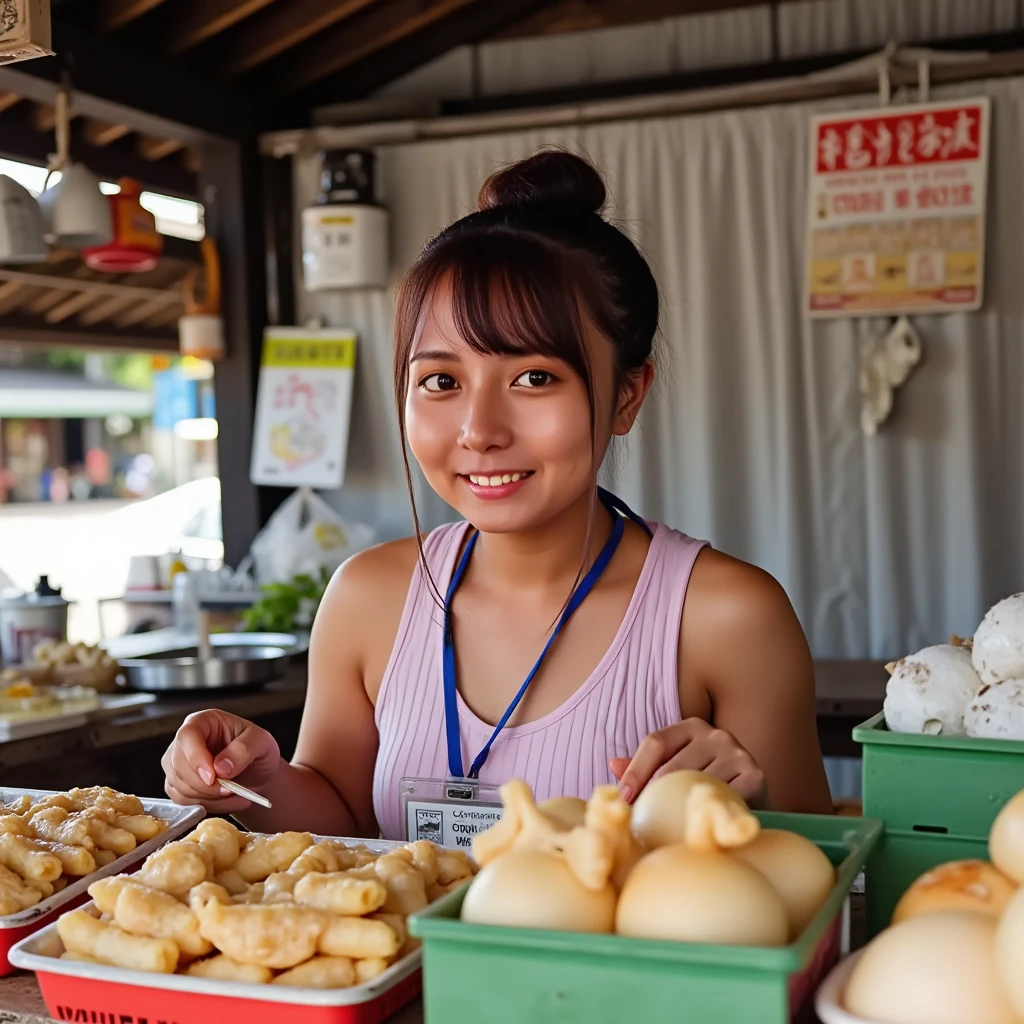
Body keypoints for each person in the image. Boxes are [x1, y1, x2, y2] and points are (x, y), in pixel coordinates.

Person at [162, 150, 833, 840]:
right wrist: (256, 780)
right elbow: (347, 819)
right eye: (441, 382)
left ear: (626, 395)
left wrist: (758, 806)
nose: (479, 431)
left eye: (534, 378)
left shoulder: (727, 618)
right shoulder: (368, 599)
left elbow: (819, 880)